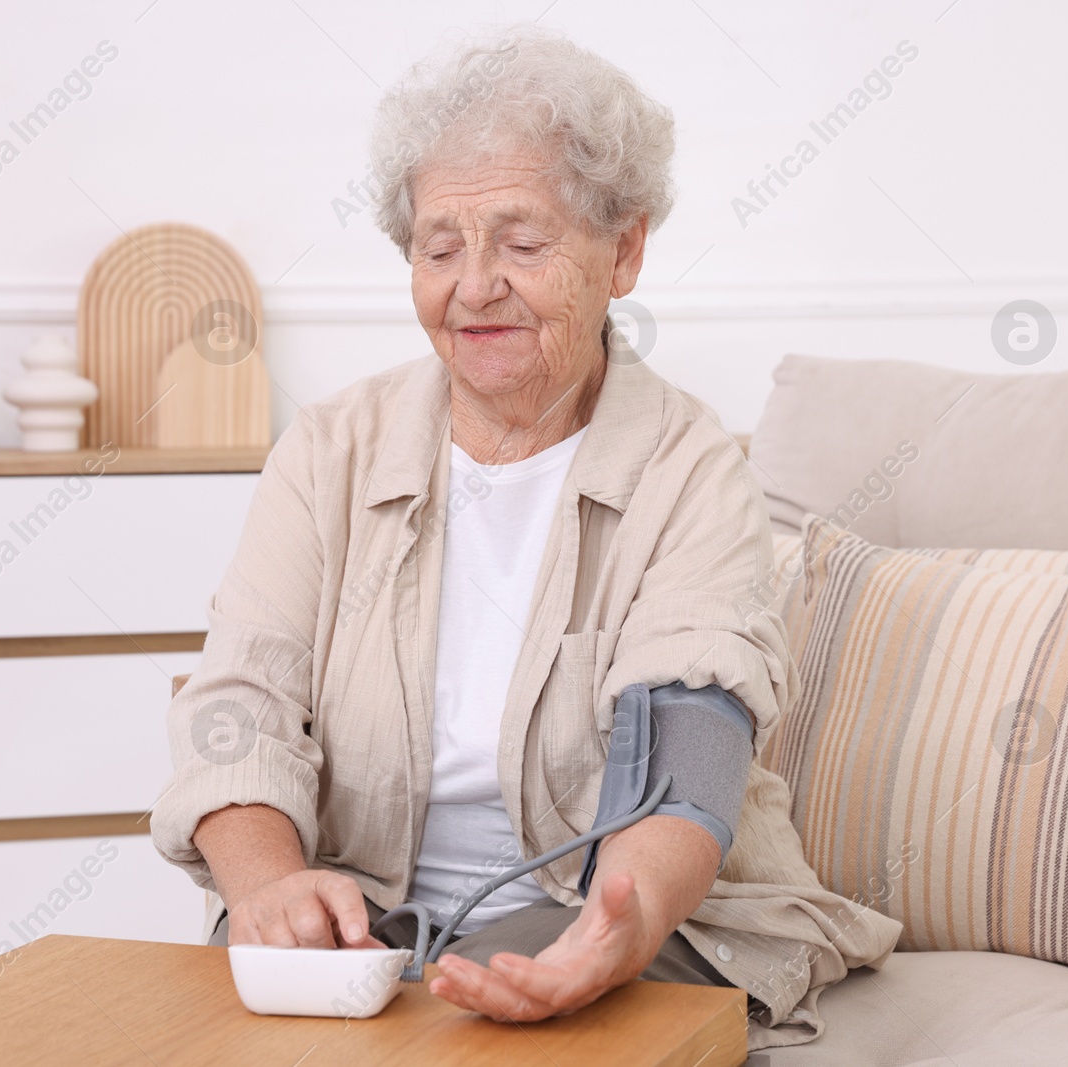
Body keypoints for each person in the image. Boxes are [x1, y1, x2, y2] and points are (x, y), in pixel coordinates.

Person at [152, 25, 900, 1048]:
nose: (474, 286)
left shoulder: (688, 467)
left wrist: (616, 925)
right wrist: (270, 882)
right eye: (439, 246)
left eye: (523, 241)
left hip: (617, 920)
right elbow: (239, 702)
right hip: (364, 926)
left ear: (623, 250)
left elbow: (691, 742)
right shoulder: (328, 449)